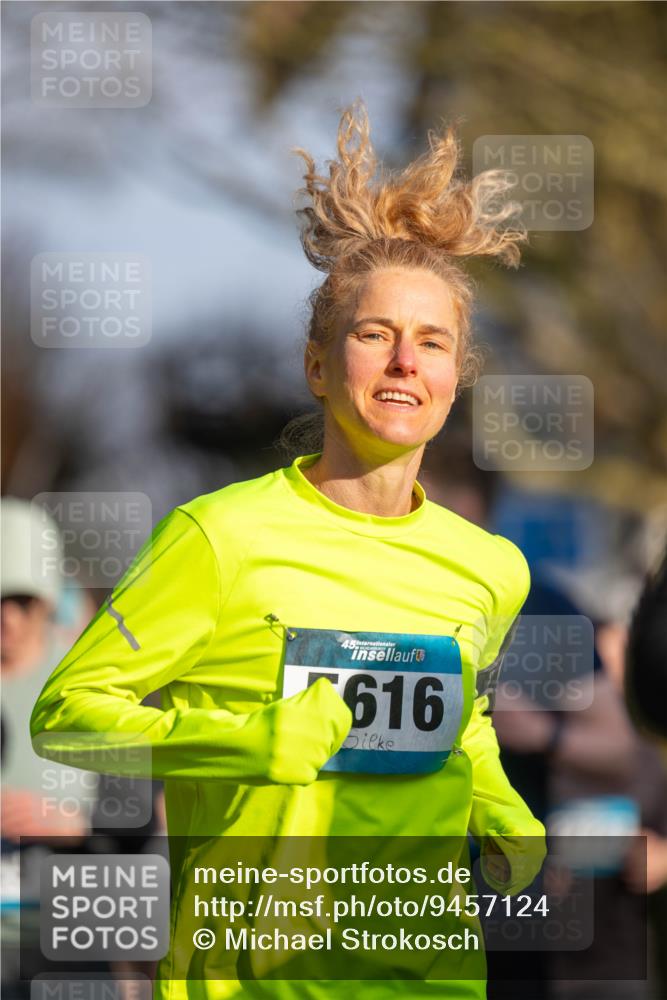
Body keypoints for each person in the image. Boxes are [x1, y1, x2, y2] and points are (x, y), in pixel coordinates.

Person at [30, 100, 545, 1000]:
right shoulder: (219, 537)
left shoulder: (490, 569)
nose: (402, 364)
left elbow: (456, 713)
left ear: (454, 379)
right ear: (318, 364)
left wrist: (494, 797)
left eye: (431, 343)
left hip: (432, 980)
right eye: (373, 334)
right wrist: (250, 737)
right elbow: (68, 717)